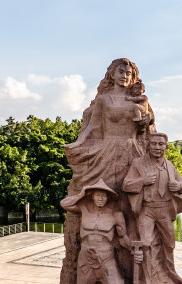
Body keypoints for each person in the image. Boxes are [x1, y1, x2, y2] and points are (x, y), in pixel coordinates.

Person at [65, 59, 155, 193]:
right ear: (112, 75)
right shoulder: (103, 99)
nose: (124, 76)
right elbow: (92, 126)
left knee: (138, 189)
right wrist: (79, 143)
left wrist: (150, 118)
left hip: (134, 149)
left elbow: (150, 121)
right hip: (108, 151)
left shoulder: (140, 98)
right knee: (104, 190)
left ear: (132, 77)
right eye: (120, 72)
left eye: (128, 73)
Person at [60, 179, 136, 284]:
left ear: (108, 197)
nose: (101, 199)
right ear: (92, 196)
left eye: (104, 196)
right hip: (86, 256)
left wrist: (135, 250)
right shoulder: (84, 208)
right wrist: (82, 193)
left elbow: (123, 238)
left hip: (106, 257)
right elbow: (65, 204)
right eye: (98, 195)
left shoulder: (116, 214)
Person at [122, 132, 182, 284]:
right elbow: (126, 185)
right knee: (145, 244)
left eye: (161, 144)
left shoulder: (170, 165)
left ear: (166, 146)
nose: (157, 147)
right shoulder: (139, 164)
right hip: (147, 210)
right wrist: (142, 181)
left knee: (169, 243)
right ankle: (147, 279)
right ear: (148, 145)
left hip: (165, 210)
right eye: (154, 144)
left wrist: (179, 186)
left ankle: (172, 274)